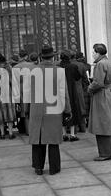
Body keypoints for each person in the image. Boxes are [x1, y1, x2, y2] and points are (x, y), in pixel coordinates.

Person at [29, 46, 71, 176]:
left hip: (37, 108)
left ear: (41, 57)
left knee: (38, 139)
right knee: (53, 140)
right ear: (53, 57)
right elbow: (64, 93)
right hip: (53, 108)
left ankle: (38, 167)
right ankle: (54, 167)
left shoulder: (33, 71)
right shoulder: (59, 71)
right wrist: (67, 110)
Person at [88, 43, 111, 161]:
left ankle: (105, 153)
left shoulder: (100, 64)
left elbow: (98, 83)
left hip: (101, 95)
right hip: (110, 92)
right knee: (110, 122)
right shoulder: (110, 62)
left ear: (98, 53)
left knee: (101, 123)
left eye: (93, 52)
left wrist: (89, 88)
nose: (92, 54)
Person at [0, 52, 17, 140]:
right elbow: (12, 81)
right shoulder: (8, 68)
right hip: (7, 92)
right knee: (9, 112)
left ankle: (2, 133)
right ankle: (11, 133)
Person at [59, 50, 83, 141]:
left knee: (61, 111)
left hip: (60, 91)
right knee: (72, 110)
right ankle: (72, 134)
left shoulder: (58, 67)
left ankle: (64, 134)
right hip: (71, 91)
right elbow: (78, 77)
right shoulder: (73, 66)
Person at [14, 49, 36, 135]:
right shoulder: (32, 66)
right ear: (26, 56)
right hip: (32, 89)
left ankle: (28, 131)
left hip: (21, 90)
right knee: (33, 111)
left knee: (25, 113)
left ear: (19, 56)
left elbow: (14, 83)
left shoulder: (15, 68)